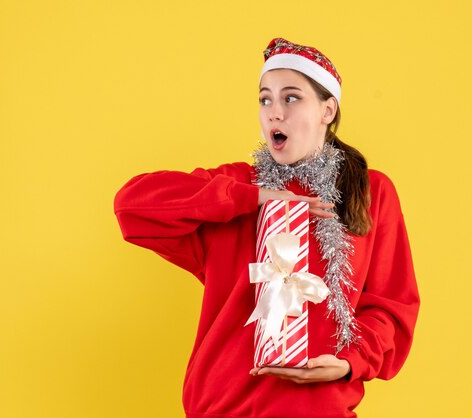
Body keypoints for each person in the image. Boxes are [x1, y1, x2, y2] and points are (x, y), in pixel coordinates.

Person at [114, 37, 420, 418]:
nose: (275, 112)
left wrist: (350, 362)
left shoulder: (370, 192)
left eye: (291, 98)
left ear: (328, 110)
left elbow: (392, 307)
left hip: (319, 410)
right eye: (265, 99)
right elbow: (132, 206)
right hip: (223, 408)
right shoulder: (237, 187)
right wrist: (253, 199)